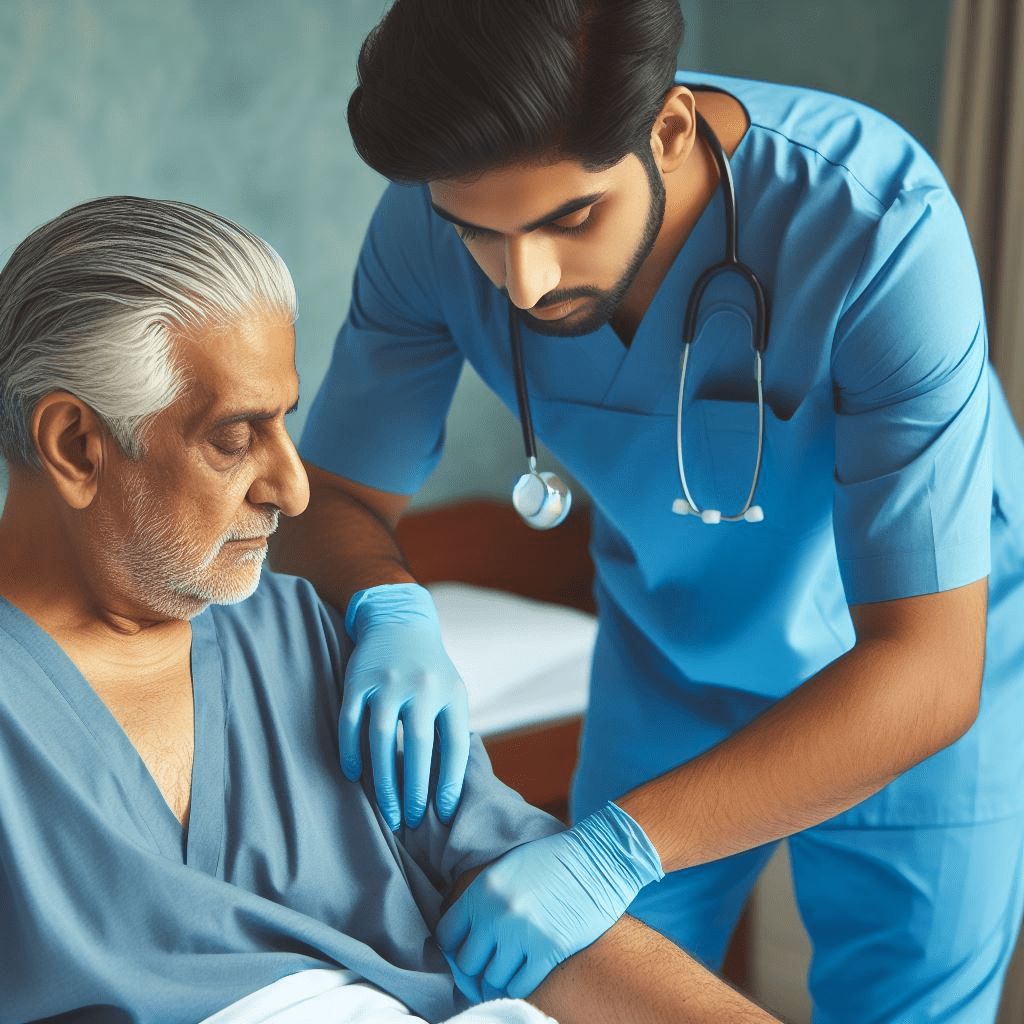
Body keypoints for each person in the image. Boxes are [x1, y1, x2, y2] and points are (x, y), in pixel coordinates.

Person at [270, 1, 1024, 1022]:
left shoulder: (877, 226)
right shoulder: (423, 224)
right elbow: (337, 499)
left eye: (568, 218)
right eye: (479, 233)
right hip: (668, 659)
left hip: (901, 670)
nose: (524, 283)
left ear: (666, 130)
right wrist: (386, 606)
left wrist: (618, 848)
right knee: (591, 995)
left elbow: (928, 668)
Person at [0, 196, 784, 1024]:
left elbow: (529, 904)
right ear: (77, 445)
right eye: (235, 437)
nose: (294, 487)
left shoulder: (304, 638)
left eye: (284, 424)